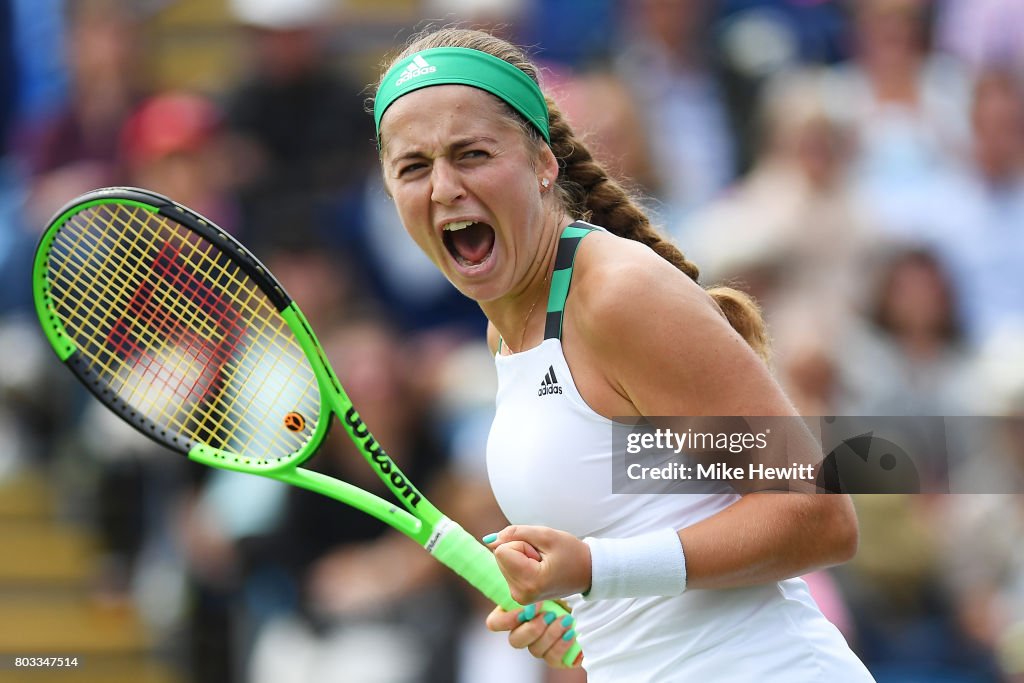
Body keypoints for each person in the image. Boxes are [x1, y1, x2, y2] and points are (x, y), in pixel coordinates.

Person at [370, 27, 875, 681]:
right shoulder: (509, 332)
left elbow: (820, 515)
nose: (443, 188)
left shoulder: (613, 292)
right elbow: (651, 545)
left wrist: (595, 570)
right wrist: (579, 614)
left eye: (471, 154)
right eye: (414, 167)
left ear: (542, 162)